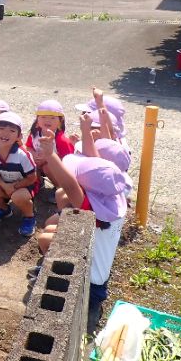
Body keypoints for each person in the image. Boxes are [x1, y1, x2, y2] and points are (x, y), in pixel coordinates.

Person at [34, 120, 130, 331]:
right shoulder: (115, 198)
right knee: (50, 231)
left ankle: (87, 312)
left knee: (45, 238)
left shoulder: (92, 211)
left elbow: (69, 185)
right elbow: (98, 166)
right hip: (100, 273)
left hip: (89, 283)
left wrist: (51, 154)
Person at [0, 111, 39, 237]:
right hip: (5, 184)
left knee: (18, 197)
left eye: (12, 131)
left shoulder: (22, 155)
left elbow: (32, 178)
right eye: (1, 128)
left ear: (19, 136)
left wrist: (14, 187)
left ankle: (29, 217)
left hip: (25, 186)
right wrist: (4, 185)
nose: (5, 133)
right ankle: (4, 209)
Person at [25, 100, 74, 198]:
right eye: (43, 117)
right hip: (39, 163)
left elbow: (69, 161)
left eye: (52, 118)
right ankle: (37, 183)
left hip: (57, 169)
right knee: (29, 163)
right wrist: (34, 155)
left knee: (47, 167)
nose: (47, 120)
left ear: (60, 122)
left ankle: (61, 189)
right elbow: (28, 146)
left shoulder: (62, 140)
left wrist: (47, 159)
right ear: (37, 121)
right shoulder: (34, 135)